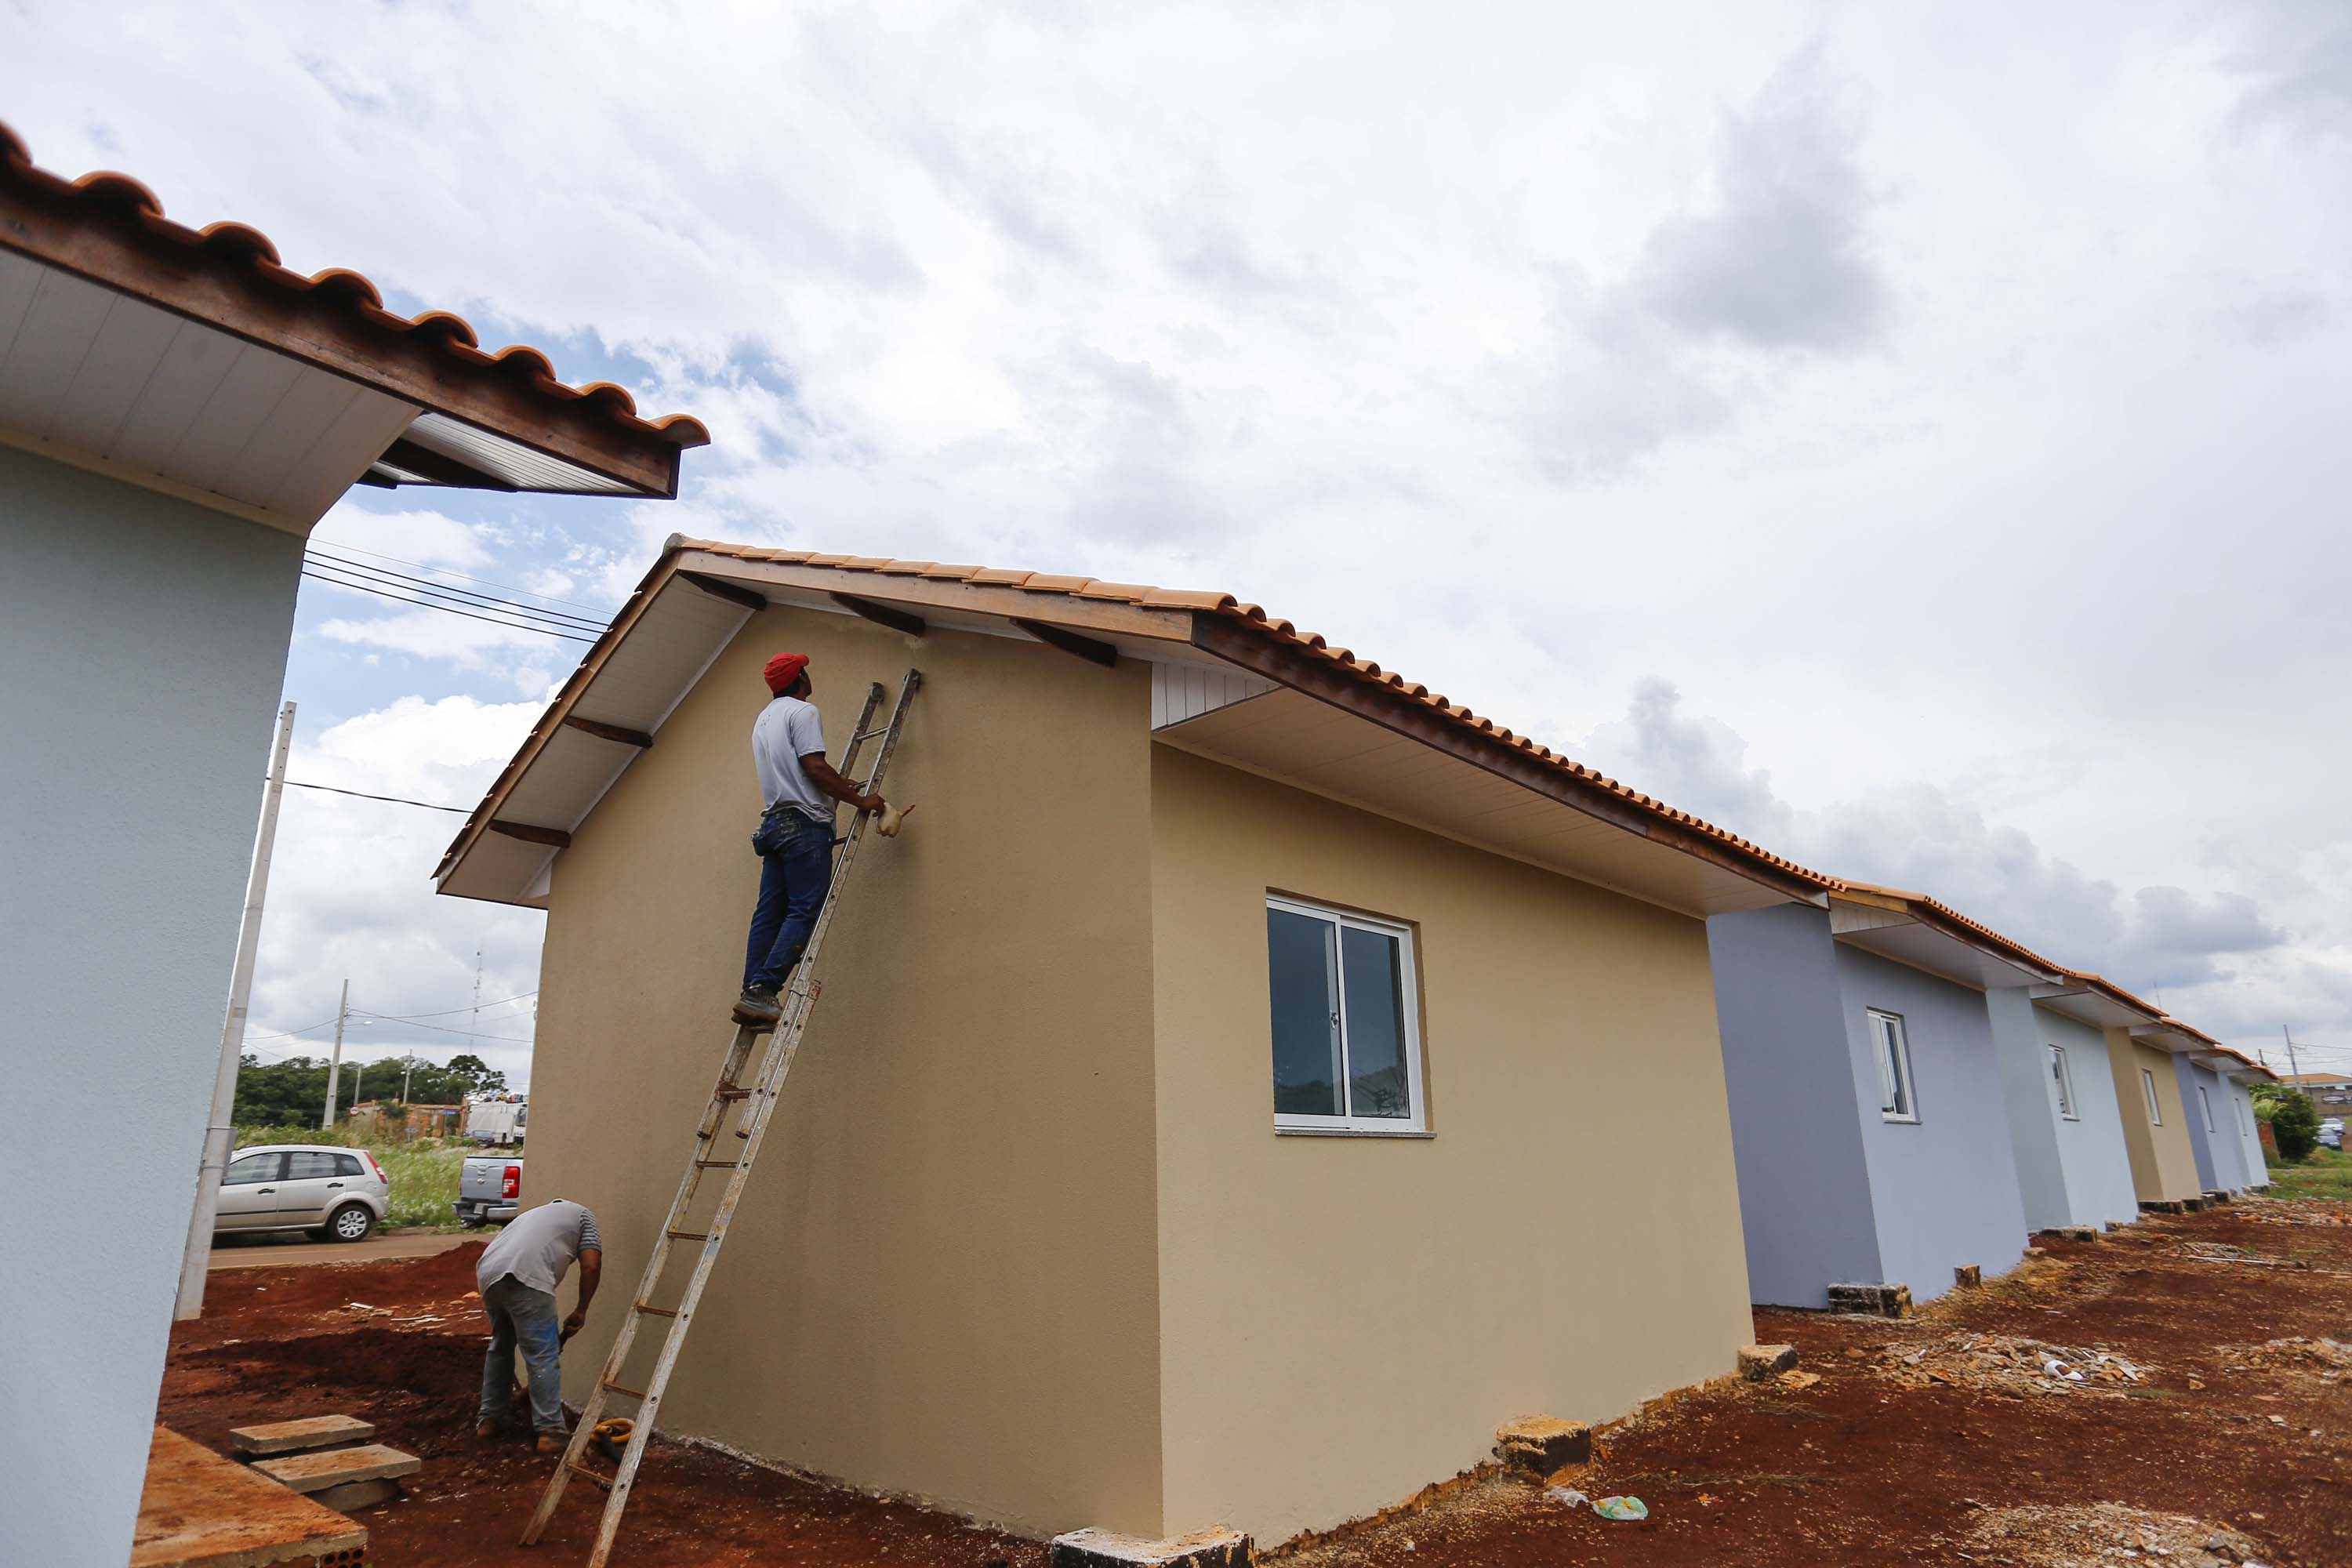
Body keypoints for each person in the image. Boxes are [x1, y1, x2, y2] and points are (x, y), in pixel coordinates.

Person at [734, 652, 893, 1027]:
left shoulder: (764, 719)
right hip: (805, 825)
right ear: (800, 677)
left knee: (768, 914)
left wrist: (839, 785)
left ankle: (751, 991)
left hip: (775, 825)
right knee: (804, 908)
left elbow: (802, 772)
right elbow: (813, 766)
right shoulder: (804, 712)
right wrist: (861, 800)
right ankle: (764, 989)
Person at [475, 1198, 602, 1453]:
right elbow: (591, 1265)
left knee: (501, 1347)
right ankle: (551, 1431)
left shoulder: (533, 1216)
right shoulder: (584, 1215)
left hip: (489, 1274)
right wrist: (582, 1309)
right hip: (526, 1276)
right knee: (543, 1355)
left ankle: (490, 1419)